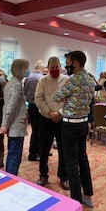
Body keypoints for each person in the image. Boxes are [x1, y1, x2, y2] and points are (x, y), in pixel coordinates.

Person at [53, 51, 95, 207]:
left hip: (70, 125)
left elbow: (56, 96)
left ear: (75, 63)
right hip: (83, 124)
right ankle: (88, 196)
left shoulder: (73, 80)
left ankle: (75, 201)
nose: (67, 66)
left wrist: (65, 98)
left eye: (68, 63)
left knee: (71, 163)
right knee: (83, 160)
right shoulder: (90, 79)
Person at [35, 57, 70, 190]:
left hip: (62, 119)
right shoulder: (42, 81)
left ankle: (64, 176)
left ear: (60, 67)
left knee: (63, 149)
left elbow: (70, 99)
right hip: (46, 118)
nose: (55, 69)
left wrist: (60, 113)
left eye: (57, 67)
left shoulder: (67, 80)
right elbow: (38, 99)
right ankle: (43, 175)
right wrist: (50, 113)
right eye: (52, 67)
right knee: (44, 149)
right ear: (48, 68)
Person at [0, 59, 30, 176]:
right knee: (15, 155)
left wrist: (5, 123)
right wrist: (5, 124)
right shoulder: (16, 85)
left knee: (12, 153)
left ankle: (9, 176)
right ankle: (11, 179)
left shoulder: (10, 83)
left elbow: (6, 107)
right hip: (16, 125)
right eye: (26, 68)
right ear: (21, 69)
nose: (28, 71)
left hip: (12, 125)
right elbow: (10, 107)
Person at [24, 60, 45, 161]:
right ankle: (33, 153)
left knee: (35, 130)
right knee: (38, 131)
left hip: (30, 106)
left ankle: (39, 152)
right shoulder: (42, 78)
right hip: (39, 107)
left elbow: (25, 92)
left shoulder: (28, 78)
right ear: (42, 68)